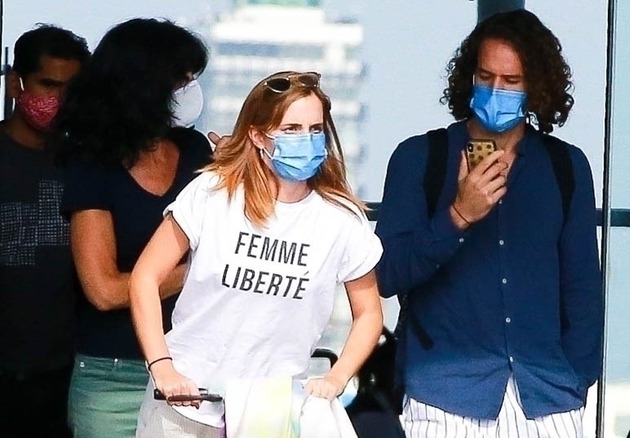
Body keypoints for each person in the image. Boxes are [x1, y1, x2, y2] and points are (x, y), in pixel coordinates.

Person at [375, 9, 603, 438]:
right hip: (444, 395)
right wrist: (458, 215)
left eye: (512, 82)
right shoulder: (421, 158)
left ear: (536, 87)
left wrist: (576, 376)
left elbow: (583, 289)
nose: (497, 90)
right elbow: (387, 273)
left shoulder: (565, 166)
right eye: (486, 77)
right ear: (469, 78)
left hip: (548, 397)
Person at [129, 70, 384, 437]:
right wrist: (162, 365)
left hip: (270, 410)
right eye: (291, 129)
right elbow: (145, 277)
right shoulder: (213, 193)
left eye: (315, 129)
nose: (307, 139)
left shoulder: (341, 218)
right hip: (186, 400)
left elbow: (369, 313)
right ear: (258, 135)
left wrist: (338, 377)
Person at [53, 18, 210, 437]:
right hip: (113, 377)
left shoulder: (197, 152)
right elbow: (102, 290)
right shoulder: (92, 165)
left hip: (196, 372)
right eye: (182, 80)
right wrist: (201, 272)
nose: (191, 91)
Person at [0, 24, 89, 438]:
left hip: (63, 376)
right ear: (16, 84)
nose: (57, 101)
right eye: (47, 85)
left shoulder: (86, 165)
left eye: (69, 89)